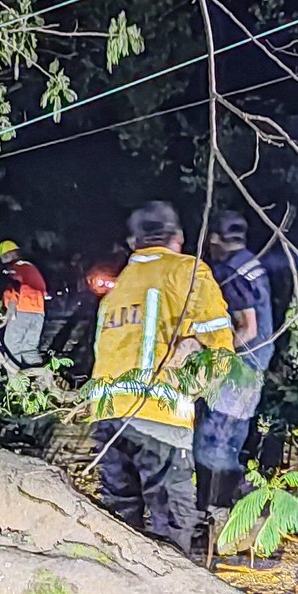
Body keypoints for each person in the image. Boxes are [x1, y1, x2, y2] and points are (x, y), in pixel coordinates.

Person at [88, 202, 234, 551]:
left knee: (120, 526)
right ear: (178, 238)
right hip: (159, 417)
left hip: (107, 419)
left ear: (133, 242)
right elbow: (221, 350)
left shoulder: (119, 285)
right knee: (174, 525)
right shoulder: (187, 271)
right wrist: (200, 385)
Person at [198, 211, 275, 528]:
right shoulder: (250, 263)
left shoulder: (229, 272)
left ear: (215, 239)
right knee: (231, 438)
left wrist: (217, 362)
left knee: (213, 441)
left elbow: (247, 326)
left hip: (239, 366)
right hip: (255, 363)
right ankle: (226, 510)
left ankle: (214, 514)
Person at [0, 240, 49, 367]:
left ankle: (16, 382)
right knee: (29, 349)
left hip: (21, 310)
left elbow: (15, 287)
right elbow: (43, 290)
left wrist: (10, 310)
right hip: (38, 313)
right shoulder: (30, 268)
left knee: (11, 344)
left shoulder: (15, 269)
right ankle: (42, 379)